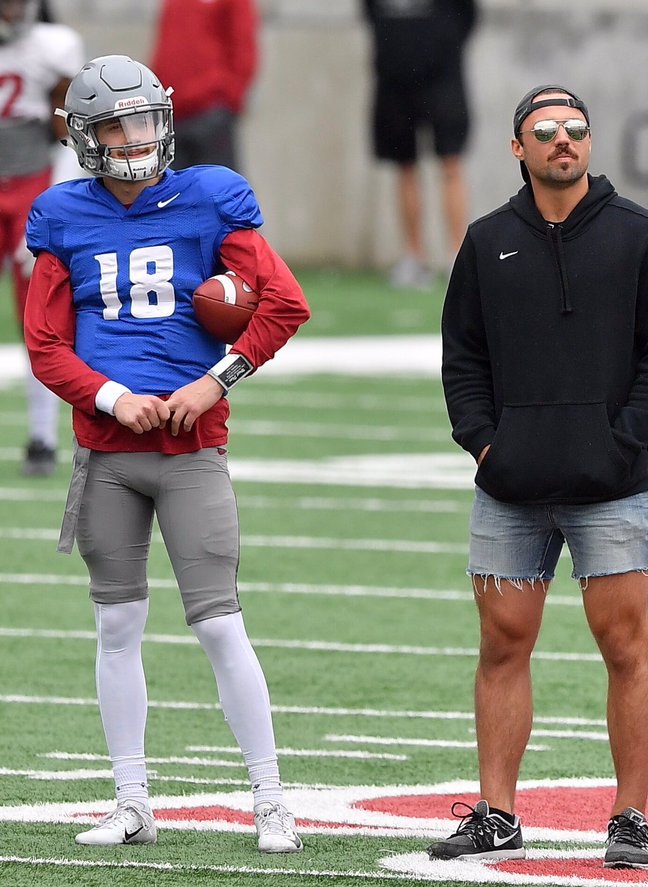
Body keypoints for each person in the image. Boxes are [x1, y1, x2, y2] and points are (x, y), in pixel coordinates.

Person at [23, 55, 309, 853]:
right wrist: (114, 397)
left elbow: (285, 303)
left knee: (219, 625)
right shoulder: (60, 215)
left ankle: (270, 797)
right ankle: (132, 800)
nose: (136, 136)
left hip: (191, 449)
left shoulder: (210, 196)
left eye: (146, 118)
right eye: (117, 123)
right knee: (117, 626)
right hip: (107, 453)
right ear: (84, 136)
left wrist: (213, 384)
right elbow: (45, 346)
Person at [433, 85, 648, 870]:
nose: (563, 141)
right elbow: (462, 360)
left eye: (576, 129)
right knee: (502, 645)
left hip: (610, 484)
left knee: (625, 644)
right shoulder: (484, 241)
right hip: (509, 487)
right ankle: (498, 811)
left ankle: (630, 817)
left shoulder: (641, 235)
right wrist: (486, 446)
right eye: (545, 131)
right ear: (518, 147)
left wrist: (621, 442)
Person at [0, 0, 83, 476]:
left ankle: (42, 436)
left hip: (33, 183)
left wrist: (48, 210)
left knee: (38, 316)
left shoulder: (53, 47)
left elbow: (69, 136)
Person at [362, 0, 475, 290]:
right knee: (404, 166)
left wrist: (438, 46)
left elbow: (468, 15)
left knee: (451, 163)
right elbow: (370, 14)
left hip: (442, 76)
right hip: (393, 79)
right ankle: (414, 257)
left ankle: (458, 257)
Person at [149, 0, 257, 171]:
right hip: (171, 115)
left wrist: (224, 98)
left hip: (210, 113)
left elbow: (244, 48)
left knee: (217, 189)